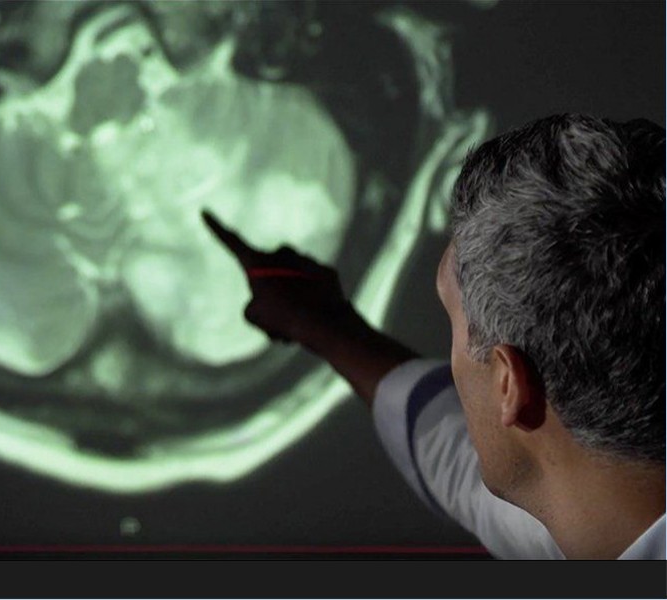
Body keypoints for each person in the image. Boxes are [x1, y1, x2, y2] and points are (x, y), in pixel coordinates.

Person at [202, 113, 665, 559]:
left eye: (453, 323)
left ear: (508, 385)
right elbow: (453, 459)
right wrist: (323, 325)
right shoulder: (586, 519)